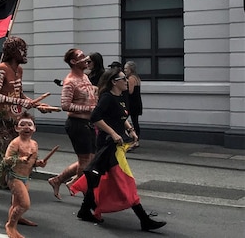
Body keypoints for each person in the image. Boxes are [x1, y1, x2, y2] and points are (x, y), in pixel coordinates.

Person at [0, 36, 49, 224]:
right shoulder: (0, 69)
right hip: (2, 125)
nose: (25, 52)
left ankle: (15, 211)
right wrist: (22, 102)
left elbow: (18, 94)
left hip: (16, 123)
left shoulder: (18, 70)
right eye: (22, 49)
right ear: (13, 51)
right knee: (9, 169)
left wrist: (35, 105)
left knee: (18, 169)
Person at [74, 68, 165, 231]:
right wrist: (114, 133)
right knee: (125, 181)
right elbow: (95, 117)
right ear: (114, 82)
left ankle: (84, 210)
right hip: (109, 146)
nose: (126, 80)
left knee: (101, 178)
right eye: (123, 78)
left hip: (117, 145)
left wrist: (130, 129)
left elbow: (121, 117)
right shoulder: (107, 98)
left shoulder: (121, 97)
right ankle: (144, 219)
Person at [48, 48, 97, 199]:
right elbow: (65, 105)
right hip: (77, 124)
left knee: (91, 158)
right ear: (73, 62)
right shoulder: (70, 81)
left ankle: (59, 180)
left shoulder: (85, 77)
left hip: (89, 123)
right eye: (81, 56)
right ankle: (83, 190)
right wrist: (89, 108)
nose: (86, 58)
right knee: (84, 160)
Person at [2, 114, 48, 238]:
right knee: (25, 204)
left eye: (29, 125)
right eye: (22, 125)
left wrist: (39, 163)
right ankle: (10, 226)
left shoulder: (34, 144)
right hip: (14, 177)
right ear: (17, 128)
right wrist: (19, 159)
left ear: (34, 128)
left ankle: (16, 220)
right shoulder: (15, 143)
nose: (26, 127)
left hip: (25, 178)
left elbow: (32, 162)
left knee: (17, 204)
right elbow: (6, 160)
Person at [124, 61, 143, 150]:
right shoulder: (137, 78)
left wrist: (124, 87)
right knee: (135, 121)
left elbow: (130, 91)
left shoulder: (131, 78)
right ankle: (136, 140)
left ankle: (132, 139)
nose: (124, 70)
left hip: (132, 103)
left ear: (131, 69)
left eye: (126, 68)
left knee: (123, 119)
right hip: (137, 101)